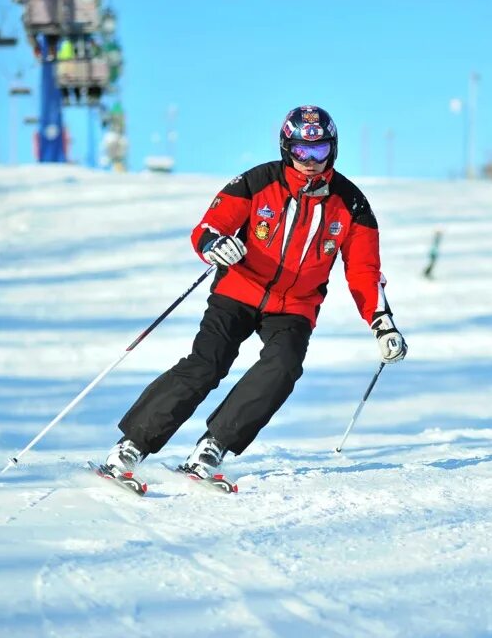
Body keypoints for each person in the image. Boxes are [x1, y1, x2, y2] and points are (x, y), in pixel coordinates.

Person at [102, 105, 408, 480]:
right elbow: (207, 228)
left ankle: (214, 444)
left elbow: (363, 270)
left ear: (333, 149)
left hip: (295, 305)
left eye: (320, 151)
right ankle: (132, 444)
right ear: (286, 148)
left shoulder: (352, 204)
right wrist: (214, 244)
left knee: (284, 367)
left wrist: (382, 322)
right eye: (301, 151)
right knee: (208, 363)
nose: (310, 161)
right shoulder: (257, 182)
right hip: (239, 289)